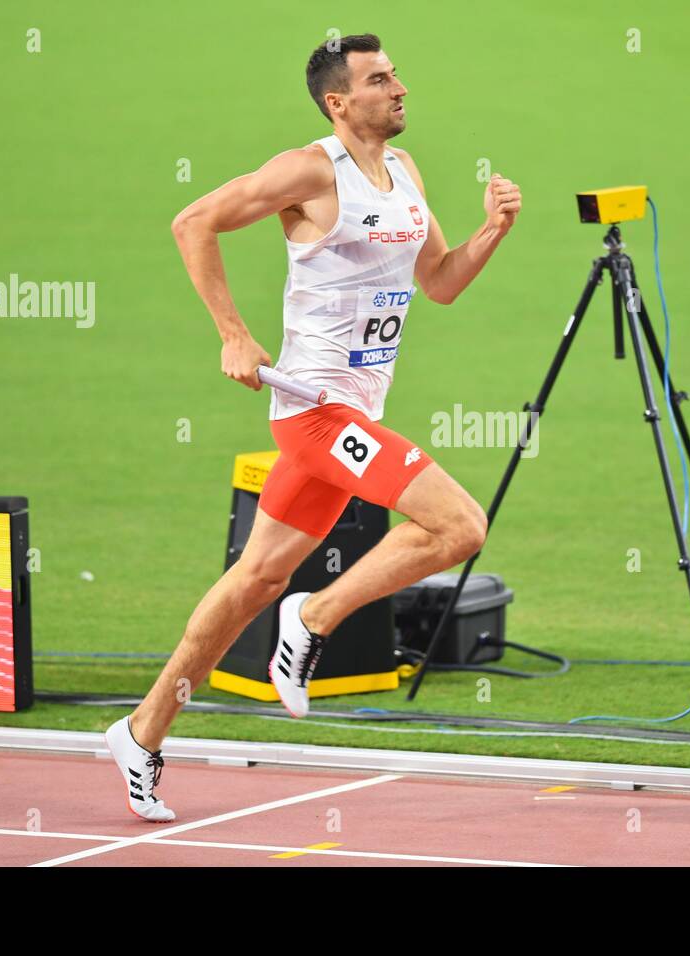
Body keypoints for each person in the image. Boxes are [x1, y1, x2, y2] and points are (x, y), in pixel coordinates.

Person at [105, 33, 522, 821]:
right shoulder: (308, 169)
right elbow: (193, 220)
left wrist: (492, 230)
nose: (399, 87)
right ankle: (316, 615)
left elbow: (438, 283)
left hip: (355, 414)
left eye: (395, 73)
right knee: (459, 525)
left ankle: (141, 731)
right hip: (313, 412)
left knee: (253, 581)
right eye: (379, 79)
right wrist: (232, 331)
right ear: (340, 102)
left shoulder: (403, 172)